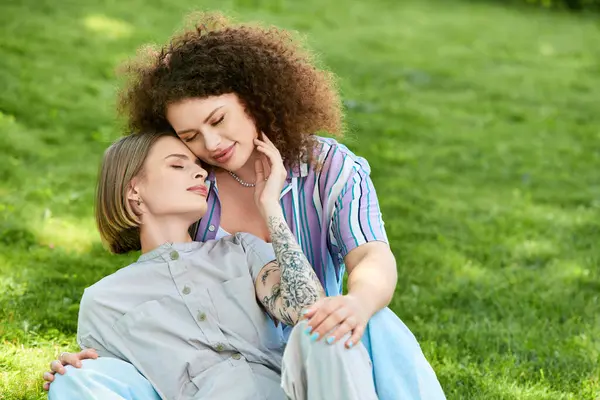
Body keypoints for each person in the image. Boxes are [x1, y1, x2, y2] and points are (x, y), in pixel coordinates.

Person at [44, 12, 446, 399]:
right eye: (191, 137)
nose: (211, 145)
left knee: (368, 318)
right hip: (211, 377)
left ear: (253, 99)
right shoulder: (200, 194)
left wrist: (356, 302)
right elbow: (169, 300)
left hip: (323, 345)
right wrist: (87, 366)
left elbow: (371, 255)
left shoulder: (329, 167)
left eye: (218, 120)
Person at [48, 131, 378, 399]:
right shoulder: (105, 299)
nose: (200, 172)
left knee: (335, 325)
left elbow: (309, 309)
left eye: (198, 166)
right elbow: (114, 382)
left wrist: (270, 209)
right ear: (135, 191)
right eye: (178, 166)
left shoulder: (242, 251)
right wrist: (73, 369)